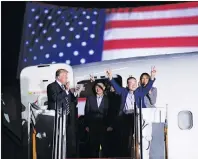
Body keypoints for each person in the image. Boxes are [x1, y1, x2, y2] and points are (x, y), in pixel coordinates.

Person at [106, 67, 156, 157]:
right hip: (126, 116)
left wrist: (152, 77)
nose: (133, 85)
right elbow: (116, 86)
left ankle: (140, 155)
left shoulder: (140, 91)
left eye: (134, 83)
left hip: (137, 116)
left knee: (139, 137)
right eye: (130, 83)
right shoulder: (123, 91)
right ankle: (126, 155)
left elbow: (148, 86)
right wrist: (110, 77)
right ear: (127, 85)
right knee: (125, 137)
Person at [47, 69, 80, 158]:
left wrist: (76, 93)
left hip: (68, 117)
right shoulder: (51, 86)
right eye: (65, 76)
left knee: (69, 138)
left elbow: (70, 100)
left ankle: (68, 155)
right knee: (59, 139)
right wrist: (65, 91)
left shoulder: (64, 87)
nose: (67, 78)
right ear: (59, 77)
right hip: (58, 118)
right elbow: (55, 99)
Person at [84, 82, 109, 158]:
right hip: (93, 127)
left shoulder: (107, 99)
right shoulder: (90, 98)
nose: (98, 89)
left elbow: (110, 113)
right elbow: (87, 112)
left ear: (104, 88)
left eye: (100, 87)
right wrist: (86, 125)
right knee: (93, 148)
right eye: (96, 87)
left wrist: (110, 125)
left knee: (105, 147)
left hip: (104, 126)